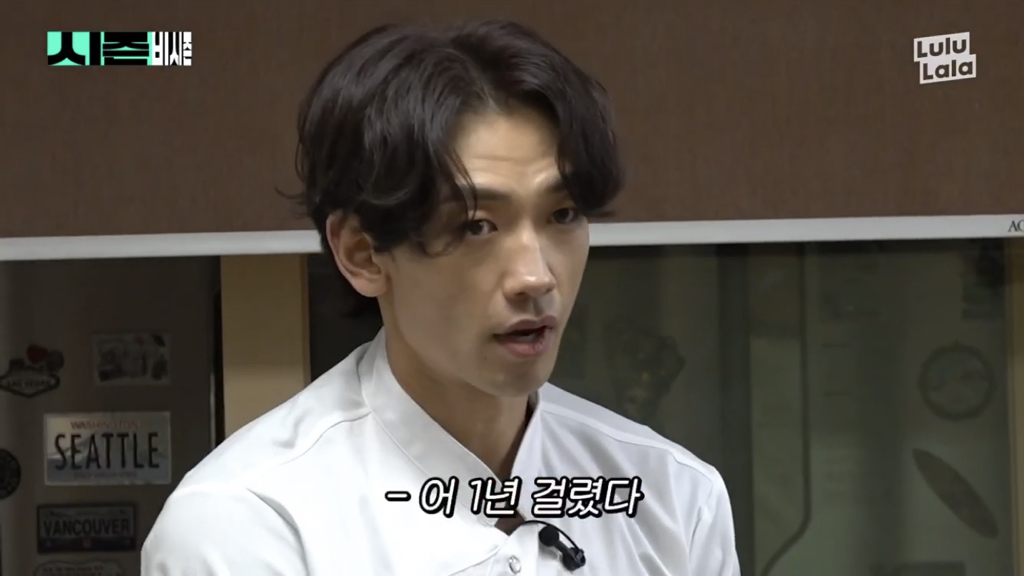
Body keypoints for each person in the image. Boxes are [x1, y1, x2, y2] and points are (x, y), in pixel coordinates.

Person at [142, 19, 739, 575]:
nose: (536, 277)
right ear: (363, 252)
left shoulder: (673, 498)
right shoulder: (248, 523)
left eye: (562, 214)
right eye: (476, 225)